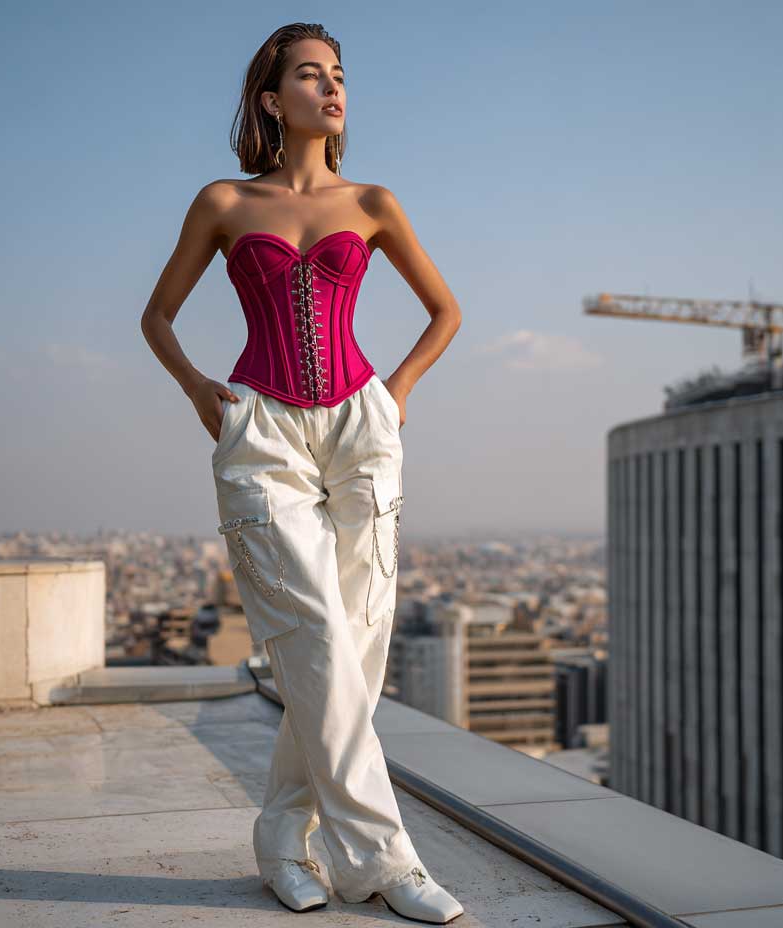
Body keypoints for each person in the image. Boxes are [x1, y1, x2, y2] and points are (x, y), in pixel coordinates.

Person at [140, 22, 463, 924]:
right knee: (316, 635)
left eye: (340, 75)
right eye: (311, 75)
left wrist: (396, 391)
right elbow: (157, 316)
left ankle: (283, 840)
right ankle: (386, 863)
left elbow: (445, 311)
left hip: (362, 424)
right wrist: (199, 390)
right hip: (263, 430)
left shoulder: (374, 201)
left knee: (354, 648)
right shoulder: (224, 202)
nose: (332, 88)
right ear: (271, 99)